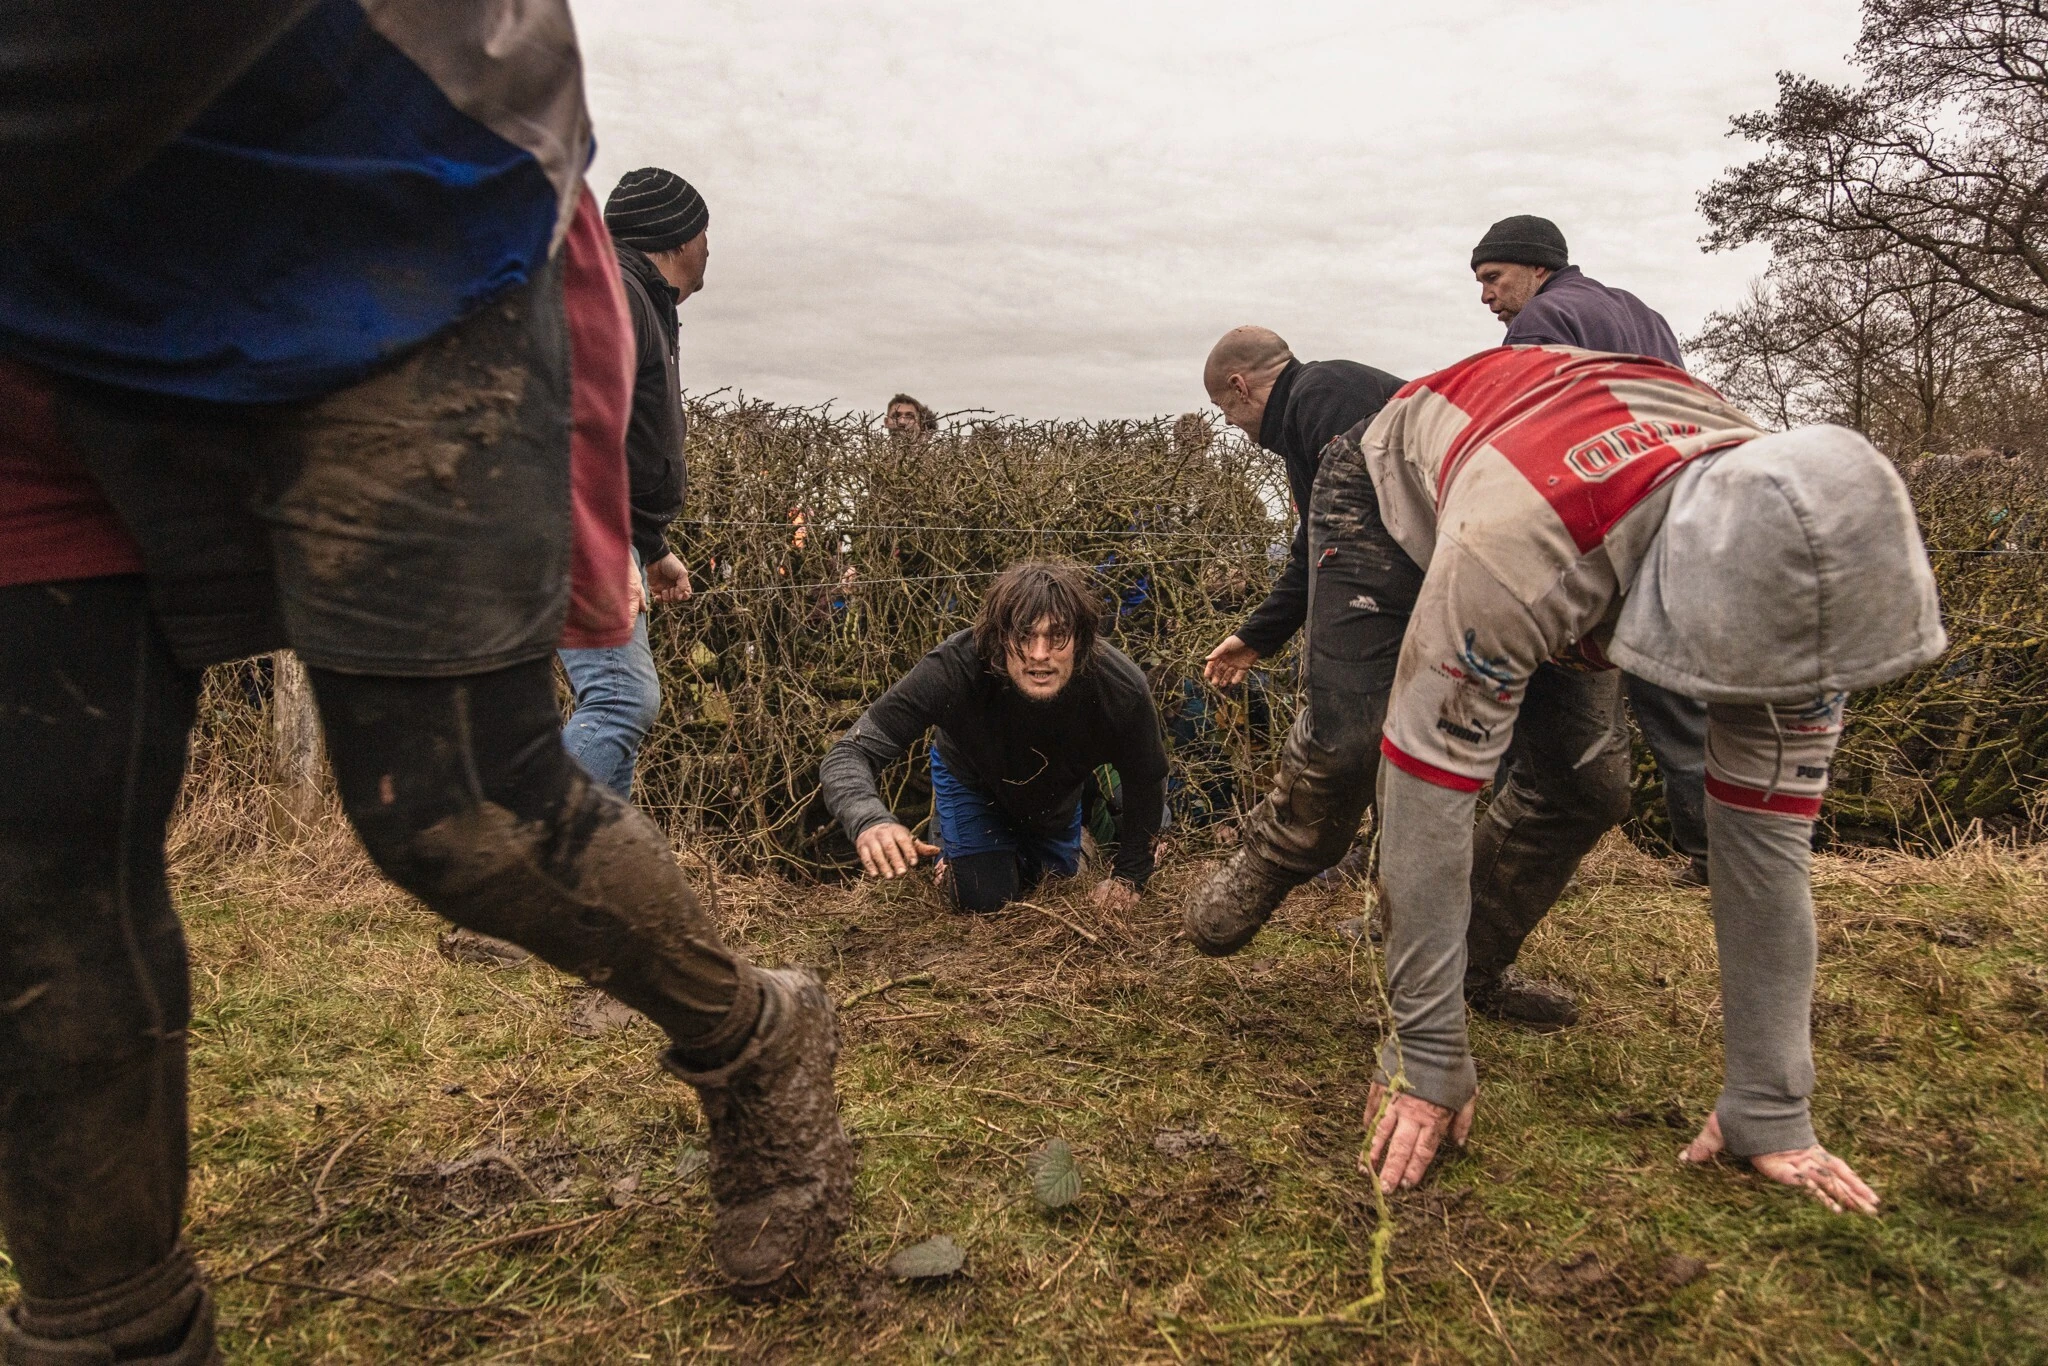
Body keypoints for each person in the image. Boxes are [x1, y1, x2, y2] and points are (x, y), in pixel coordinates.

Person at [0, 7, 852, 1353]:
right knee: (32, 864)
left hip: (391, 239)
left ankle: (754, 1036)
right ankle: (108, 1326)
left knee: (455, 807)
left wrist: (643, 529)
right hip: (41, 313)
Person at [1355, 345, 1943, 1215]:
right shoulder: (1513, 554)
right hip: (1411, 463)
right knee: (1346, 746)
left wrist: (1770, 1102)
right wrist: (1426, 1047)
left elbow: (1766, 846)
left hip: (1603, 485)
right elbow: (1427, 794)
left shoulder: (1801, 545)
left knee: (1585, 784)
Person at [1473, 213, 1715, 889]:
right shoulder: (1643, 315)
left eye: (1494, 277)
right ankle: (1717, 855)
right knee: (1676, 698)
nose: (1486, 297)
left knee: (1534, 692)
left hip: (1596, 530)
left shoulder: (1543, 320)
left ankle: (1525, 844)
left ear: (1537, 268)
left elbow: (1530, 436)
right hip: (1669, 517)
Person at [1183, 328, 1419, 949]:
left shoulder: (1323, 393)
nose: (1230, 423)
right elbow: (1313, 549)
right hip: (1418, 579)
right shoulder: (1305, 423)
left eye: (1223, 408)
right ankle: (1385, 878)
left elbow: (1350, 545)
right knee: (1394, 733)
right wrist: (1256, 637)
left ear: (1240, 386)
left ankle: (1289, 854)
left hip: (1404, 586)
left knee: (1349, 727)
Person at [821, 561, 1168, 914]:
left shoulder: (1120, 687)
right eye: (1023, 636)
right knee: (983, 898)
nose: (1039, 655)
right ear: (1000, 636)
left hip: (1054, 797)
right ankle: (955, 848)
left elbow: (1147, 778)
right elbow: (850, 752)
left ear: (1081, 638)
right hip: (972, 781)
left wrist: (1130, 877)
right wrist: (869, 819)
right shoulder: (953, 668)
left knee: (1053, 884)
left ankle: (1076, 841)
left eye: (1057, 636)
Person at [555, 167, 709, 800]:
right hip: (573, 526)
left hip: (596, 529)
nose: (709, 250)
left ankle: (592, 853)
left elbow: (627, 444)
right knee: (621, 698)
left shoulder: (636, 298)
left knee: (622, 700)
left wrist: (651, 546)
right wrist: (607, 546)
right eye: (705, 234)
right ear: (678, 238)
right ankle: (542, 841)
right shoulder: (617, 294)